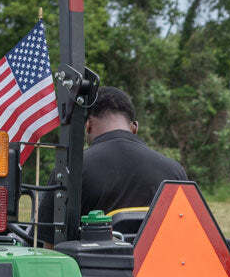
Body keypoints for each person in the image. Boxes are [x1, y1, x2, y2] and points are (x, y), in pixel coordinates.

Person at [39, 87, 187, 236]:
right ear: (134, 127)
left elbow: (50, 250)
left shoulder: (70, 169)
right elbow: (183, 233)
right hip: (157, 259)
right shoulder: (174, 172)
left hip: (93, 260)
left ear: (88, 125)